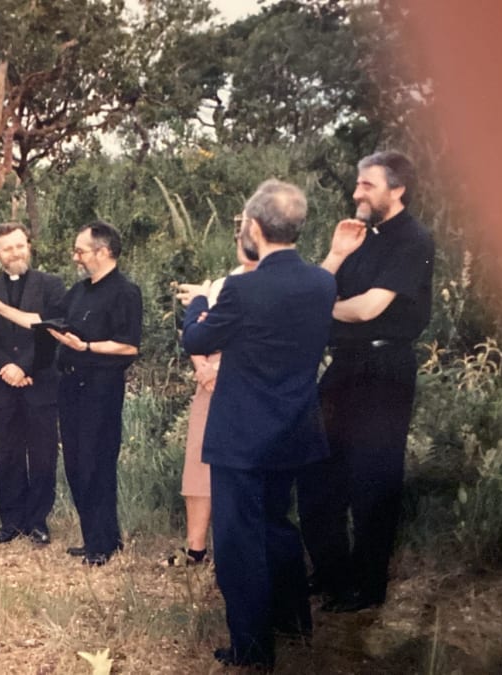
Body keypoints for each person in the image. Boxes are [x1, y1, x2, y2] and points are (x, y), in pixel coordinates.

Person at [179, 180, 336, 670]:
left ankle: (251, 648)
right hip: (294, 430)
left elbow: (196, 340)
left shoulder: (240, 289)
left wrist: (200, 301)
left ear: (254, 226)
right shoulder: (322, 283)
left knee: (239, 542)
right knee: (278, 525)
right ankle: (293, 622)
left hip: (242, 438)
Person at [297, 151, 435, 612]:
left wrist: (324, 307)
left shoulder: (413, 239)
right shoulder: (358, 237)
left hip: (385, 370)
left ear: (398, 189)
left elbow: (368, 309)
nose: (356, 192)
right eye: (357, 183)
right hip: (345, 366)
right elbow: (316, 290)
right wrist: (337, 253)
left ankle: (367, 587)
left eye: (367, 185)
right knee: (316, 469)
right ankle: (331, 573)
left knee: (373, 478)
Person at [44, 221, 142, 567]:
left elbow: (129, 346)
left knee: (96, 463)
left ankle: (103, 543)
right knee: (75, 464)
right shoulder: (80, 290)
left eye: (80, 251)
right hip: (70, 386)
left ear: (103, 252)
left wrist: (86, 346)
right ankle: (96, 537)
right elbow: (51, 320)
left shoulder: (125, 292)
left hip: (101, 389)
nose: (76, 257)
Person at [0, 222, 67, 546]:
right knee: (7, 456)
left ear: (29, 246)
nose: (16, 253)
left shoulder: (52, 285)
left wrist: (23, 367)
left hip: (40, 382)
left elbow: (50, 331)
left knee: (42, 456)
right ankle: (10, 522)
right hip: (2, 386)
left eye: (20, 245)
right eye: (8, 248)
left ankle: (38, 522)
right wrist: (6, 367)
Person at [170, 218, 259, 567]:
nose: (242, 240)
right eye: (239, 234)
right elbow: (198, 330)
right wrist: (202, 367)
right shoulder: (224, 283)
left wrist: (220, 370)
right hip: (208, 377)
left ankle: (238, 552)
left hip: (245, 380)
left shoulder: (271, 285)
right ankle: (195, 549)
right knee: (198, 458)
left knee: (239, 468)